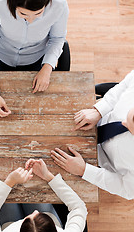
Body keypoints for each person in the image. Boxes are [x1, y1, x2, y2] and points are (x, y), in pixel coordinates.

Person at [0, 0, 69, 117]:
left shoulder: (59, 4)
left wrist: (47, 68)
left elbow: (57, 39)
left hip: (37, 59)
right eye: (23, 14)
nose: (31, 20)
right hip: (0, 56)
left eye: (38, 14)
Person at [51, 70, 134, 200]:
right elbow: (125, 86)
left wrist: (84, 170)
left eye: (130, 128)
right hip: (94, 119)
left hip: (98, 163)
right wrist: (100, 110)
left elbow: (126, 189)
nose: (123, 122)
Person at [0, 158, 87, 232]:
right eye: (39, 215)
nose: (35, 211)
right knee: (34, 188)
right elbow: (79, 207)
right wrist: (48, 176)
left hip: (8, 227)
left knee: (8, 197)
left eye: (29, 217)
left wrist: (10, 182)